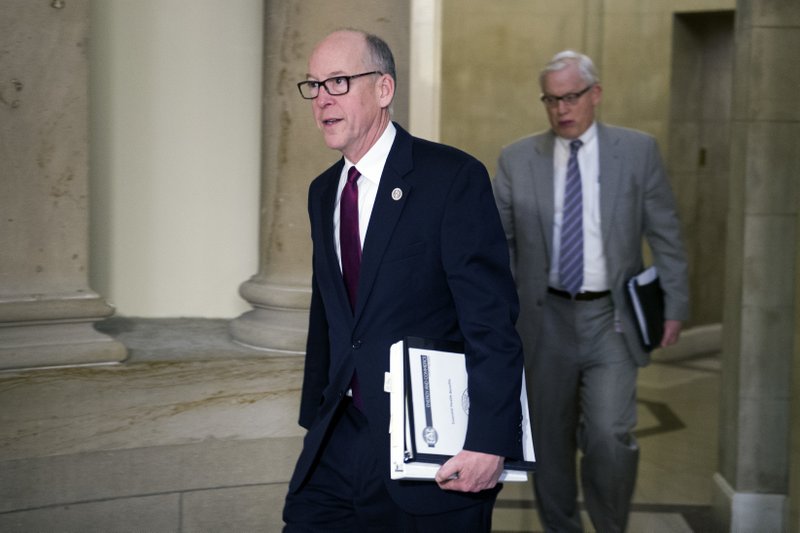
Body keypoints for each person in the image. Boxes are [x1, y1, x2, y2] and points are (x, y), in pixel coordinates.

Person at [282, 29, 526, 532]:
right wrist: (316, 416)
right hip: (338, 443)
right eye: (314, 85)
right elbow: (329, 314)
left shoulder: (451, 178)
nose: (322, 98)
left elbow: (491, 321)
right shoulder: (323, 191)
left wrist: (489, 440)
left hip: (429, 459)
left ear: (384, 90)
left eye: (339, 81)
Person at [492, 50, 689, 533]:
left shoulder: (637, 151)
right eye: (552, 99)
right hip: (545, 320)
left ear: (594, 94)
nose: (562, 108)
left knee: (609, 434)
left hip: (612, 318)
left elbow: (665, 231)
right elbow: (499, 246)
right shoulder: (518, 159)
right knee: (551, 441)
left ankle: (610, 526)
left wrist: (676, 304)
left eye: (572, 97)